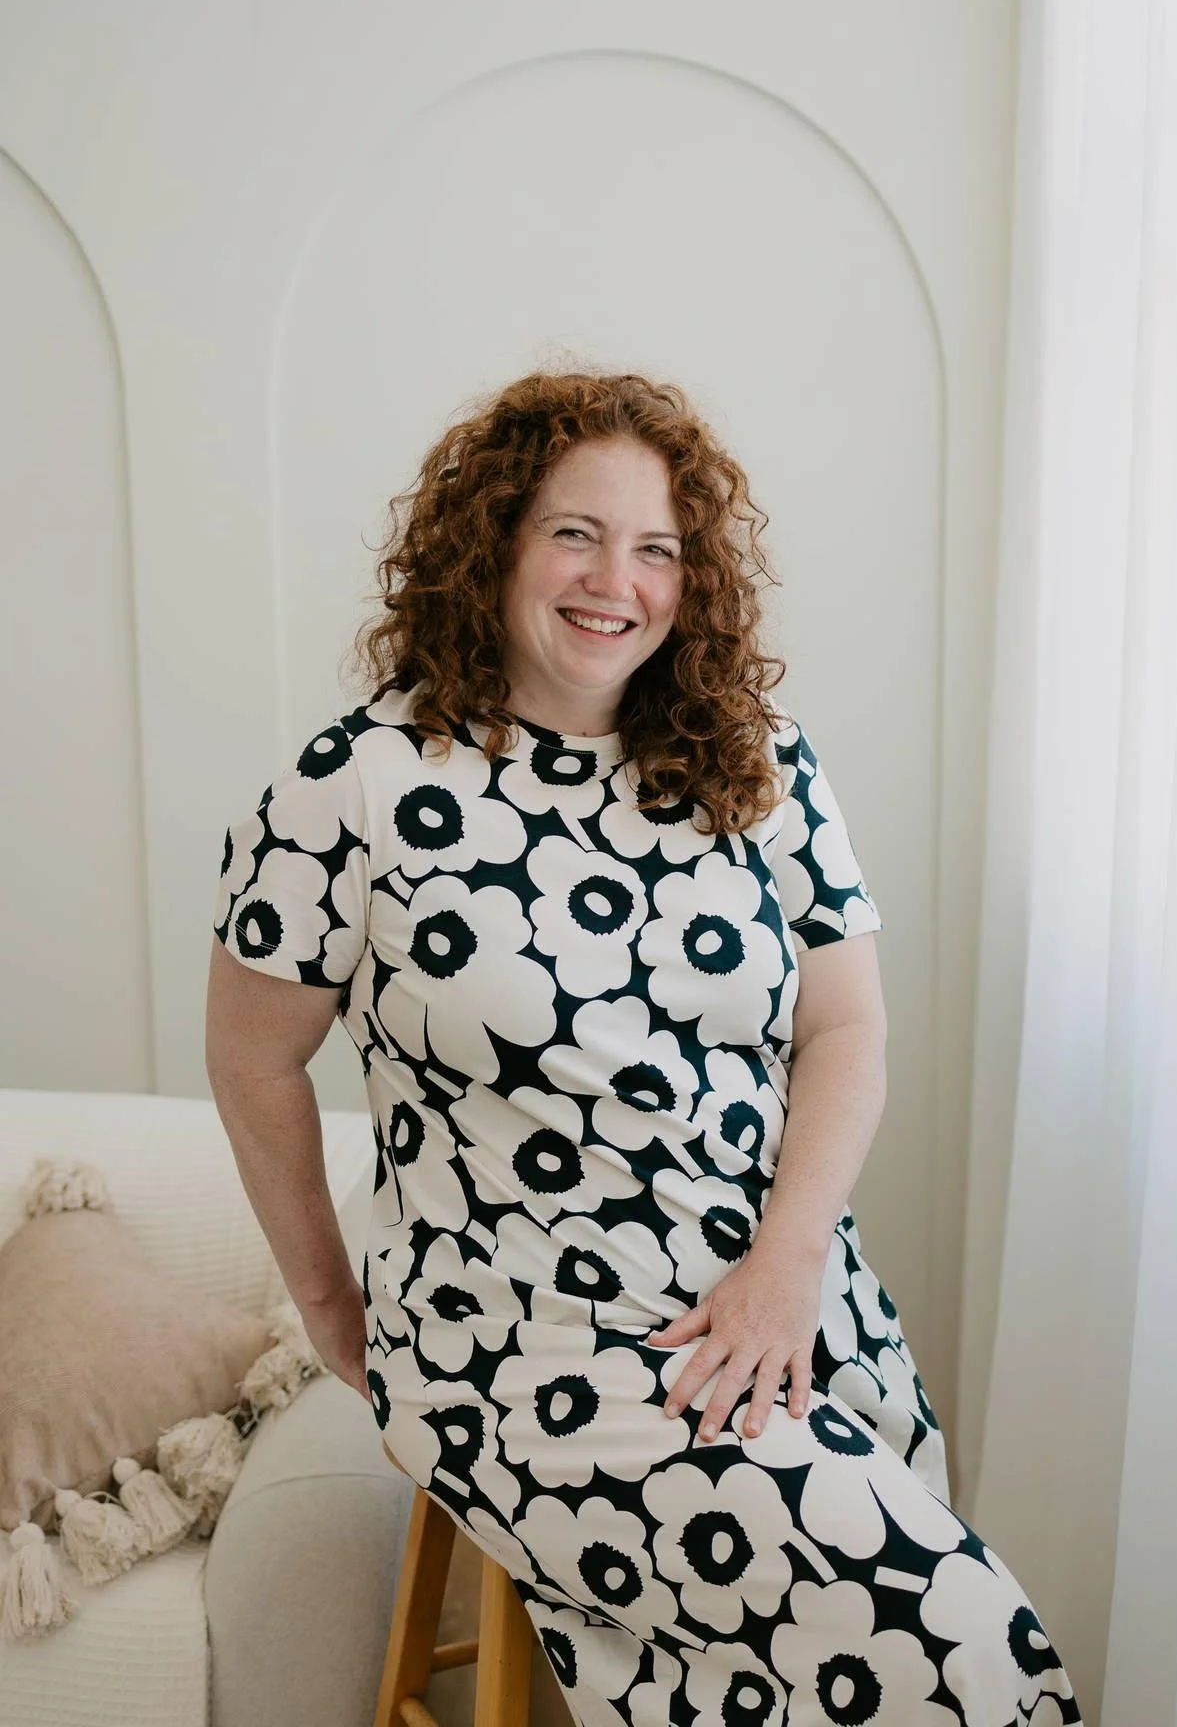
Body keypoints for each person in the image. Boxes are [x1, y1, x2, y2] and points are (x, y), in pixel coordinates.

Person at [206, 370, 1079, 1725]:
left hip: (775, 1300)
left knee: (879, 1638)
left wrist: (788, 1267)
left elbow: (847, 1026)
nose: (619, 578)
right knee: (964, 1649)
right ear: (488, 540)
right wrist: (330, 1305)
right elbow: (252, 1059)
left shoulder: (753, 755)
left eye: (659, 547)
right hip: (527, 1337)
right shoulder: (355, 786)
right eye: (575, 531)